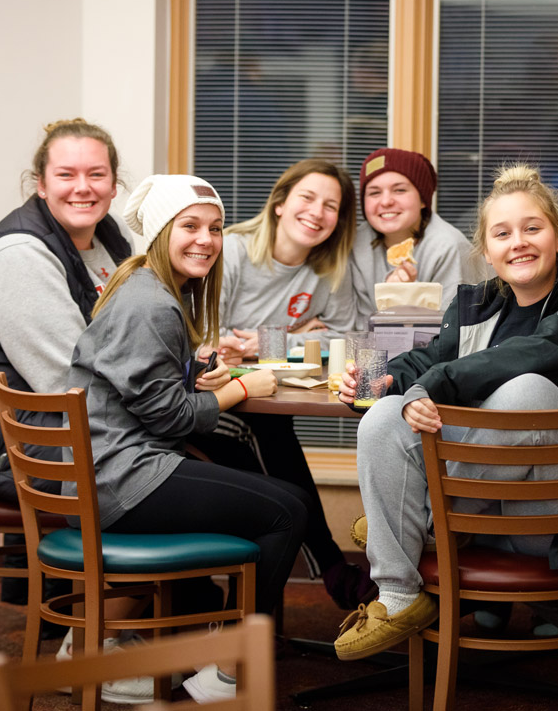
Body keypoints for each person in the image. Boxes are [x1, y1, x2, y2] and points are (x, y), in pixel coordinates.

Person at [333, 164, 558, 663]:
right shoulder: (477, 303)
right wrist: (378, 378)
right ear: (486, 251)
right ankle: (398, 595)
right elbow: (428, 358)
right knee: (383, 414)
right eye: (502, 233)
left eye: (533, 228)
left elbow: (534, 352)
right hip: (493, 500)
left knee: (526, 391)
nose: (519, 243)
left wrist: (433, 385)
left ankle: (423, 522)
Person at [65, 174, 310, 704]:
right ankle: (231, 670)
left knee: (283, 500)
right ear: (159, 232)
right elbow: (169, 419)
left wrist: (199, 374)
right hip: (121, 479)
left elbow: (146, 393)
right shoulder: (150, 304)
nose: (206, 239)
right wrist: (242, 388)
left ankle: (95, 647)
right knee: (288, 511)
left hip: (108, 470)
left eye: (216, 228)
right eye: (190, 227)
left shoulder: (144, 287)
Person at [190, 159, 372, 610]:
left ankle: (251, 614)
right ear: (279, 203)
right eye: (307, 198)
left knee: (272, 445)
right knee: (272, 458)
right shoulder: (230, 251)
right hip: (201, 404)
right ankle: (328, 565)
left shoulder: (329, 269)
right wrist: (296, 339)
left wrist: (282, 341)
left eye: (331, 206)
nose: (317, 212)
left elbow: (350, 337)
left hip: (260, 400)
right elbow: (204, 337)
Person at [0, 118, 133, 502]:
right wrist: (166, 394)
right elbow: (69, 383)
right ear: (41, 184)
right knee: (188, 464)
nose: (82, 187)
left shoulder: (113, 235)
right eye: (65, 175)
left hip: (78, 426)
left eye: (96, 174)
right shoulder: (20, 254)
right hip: (13, 445)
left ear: (113, 184)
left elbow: (139, 334)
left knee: (219, 441)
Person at [348, 148, 483, 324]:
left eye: (399, 190)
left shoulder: (448, 247)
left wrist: (407, 298)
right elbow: (360, 326)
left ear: (423, 200)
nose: (386, 201)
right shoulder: (357, 244)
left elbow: (452, 330)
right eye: (374, 192)